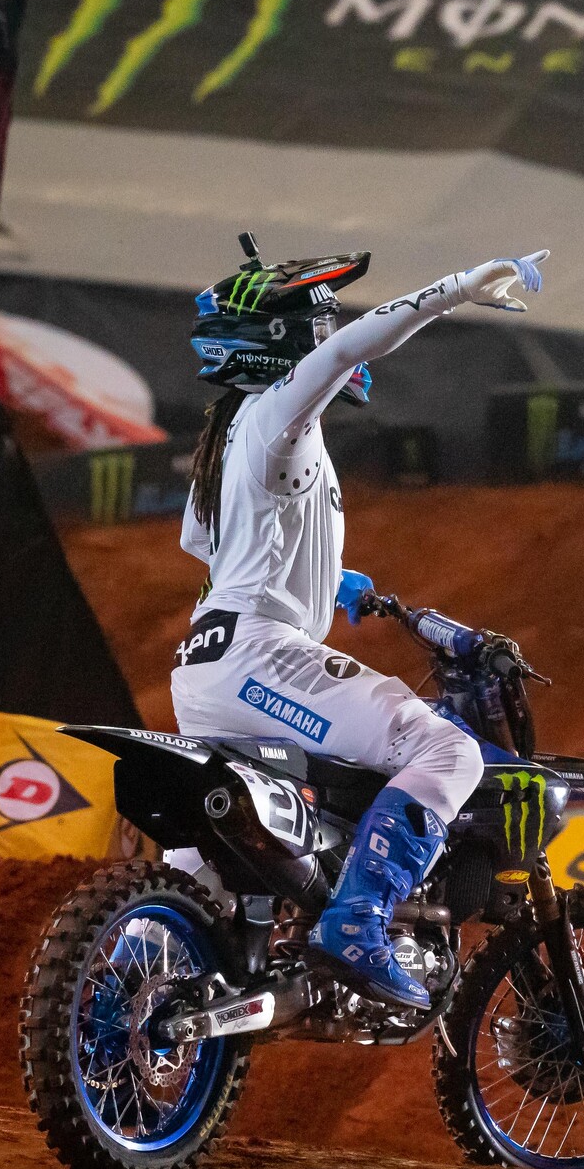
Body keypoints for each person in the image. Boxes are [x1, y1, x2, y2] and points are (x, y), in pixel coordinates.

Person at [166, 235, 545, 1011]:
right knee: (444, 748)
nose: (329, 334)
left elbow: (209, 545)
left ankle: (111, 990)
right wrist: (458, 286)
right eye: (317, 323)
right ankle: (359, 922)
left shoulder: (231, 430)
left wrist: (321, 577)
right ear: (280, 342)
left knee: (199, 868)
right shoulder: (281, 415)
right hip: (262, 656)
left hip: (205, 665)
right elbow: (350, 350)